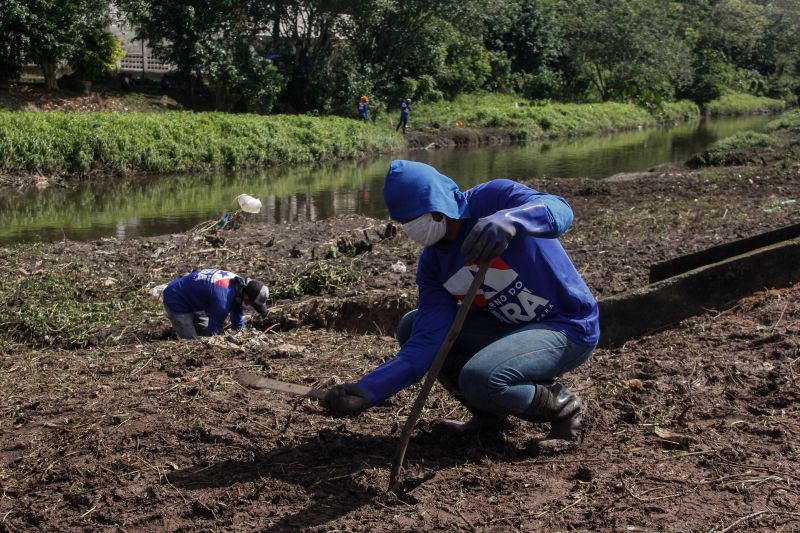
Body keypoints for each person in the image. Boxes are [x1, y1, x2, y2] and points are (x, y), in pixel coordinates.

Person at [322, 160, 599, 450]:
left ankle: (565, 408)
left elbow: (560, 210)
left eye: (412, 218)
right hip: (506, 330)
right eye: (403, 222)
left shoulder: (494, 198)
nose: (409, 229)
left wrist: (512, 220)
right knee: (412, 325)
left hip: (567, 326)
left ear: (436, 205)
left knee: (481, 377)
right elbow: (425, 344)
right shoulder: (434, 266)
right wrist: (369, 389)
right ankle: (489, 415)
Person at [162, 268, 269, 339]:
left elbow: (237, 318)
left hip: (196, 299)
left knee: (202, 334)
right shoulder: (223, 300)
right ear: (246, 297)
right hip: (176, 297)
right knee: (191, 343)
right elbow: (214, 333)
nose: (250, 306)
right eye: (252, 304)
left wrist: (244, 337)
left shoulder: (239, 285)